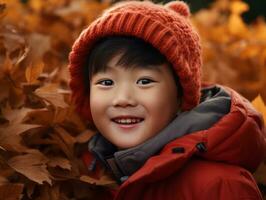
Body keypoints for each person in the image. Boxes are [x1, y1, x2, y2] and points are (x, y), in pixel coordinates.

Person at [68, 1, 266, 199]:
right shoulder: (80, 173)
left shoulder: (219, 186)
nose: (122, 99)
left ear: (181, 96)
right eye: (106, 82)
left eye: (144, 81)